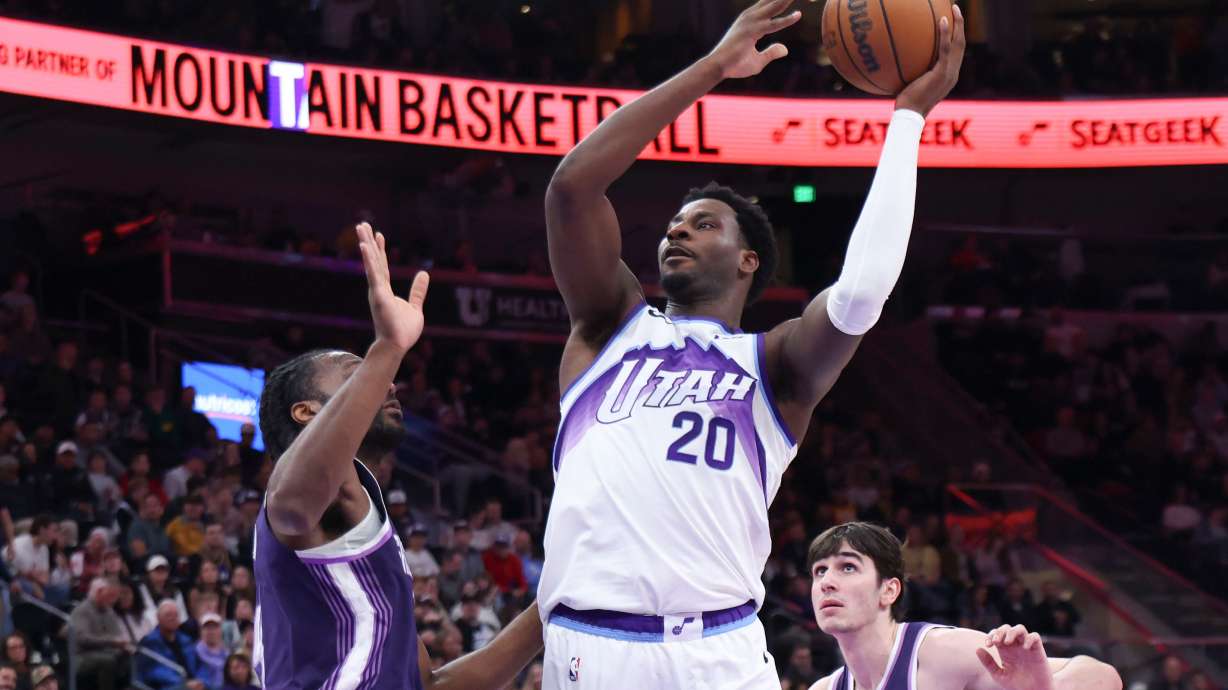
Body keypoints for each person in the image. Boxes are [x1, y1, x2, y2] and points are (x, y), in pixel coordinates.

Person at [537, 0, 964, 687]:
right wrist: (713, 68)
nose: (676, 231)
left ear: (748, 262)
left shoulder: (776, 364)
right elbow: (571, 188)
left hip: (721, 651)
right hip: (595, 646)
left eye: (703, 224)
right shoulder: (609, 325)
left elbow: (860, 294)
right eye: (674, 223)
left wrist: (909, 119)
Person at [254, 223, 542, 688]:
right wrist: (386, 347)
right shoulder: (299, 497)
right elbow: (291, 502)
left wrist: (552, 604)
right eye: (356, 370)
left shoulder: (367, 536)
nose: (387, 381)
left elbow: (431, 686)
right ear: (307, 412)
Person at [805, 522, 1121, 690]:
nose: (826, 582)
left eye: (848, 567)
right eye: (819, 571)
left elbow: (1103, 677)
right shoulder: (824, 688)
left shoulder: (942, 653)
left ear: (889, 591)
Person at [69, 577, 133, 690]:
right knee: (107, 660)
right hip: (82, 656)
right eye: (109, 596)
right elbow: (83, 639)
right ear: (99, 592)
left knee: (130, 655)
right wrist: (112, 641)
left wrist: (123, 645)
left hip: (106, 651)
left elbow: (116, 634)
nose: (112, 600)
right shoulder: (81, 611)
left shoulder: (109, 610)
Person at [137, 600, 205, 690]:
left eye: (176, 615)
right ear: (158, 618)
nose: (173, 618)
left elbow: (200, 666)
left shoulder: (186, 640)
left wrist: (201, 681)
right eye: (168, 615)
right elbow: (155, 672)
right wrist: (184, 684)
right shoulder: (149, 643)